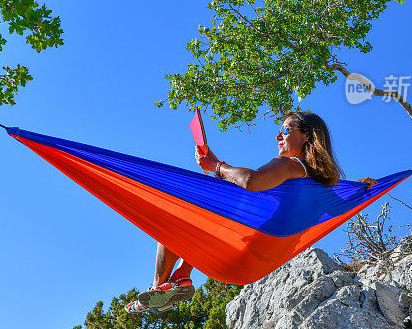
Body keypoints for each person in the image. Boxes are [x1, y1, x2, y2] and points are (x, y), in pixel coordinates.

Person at [124, 111, 377, 313]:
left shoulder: (290, 165)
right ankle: (181, 277)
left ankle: (158, 289)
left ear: (307, 136)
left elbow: (251, 182)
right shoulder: (319, 187)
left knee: (171, 222)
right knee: (215, 211)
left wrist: (216, 165)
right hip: (257, 263)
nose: (278, 137)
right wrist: (361, 188)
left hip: (242, 253)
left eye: (286, 130)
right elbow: (240, 199)